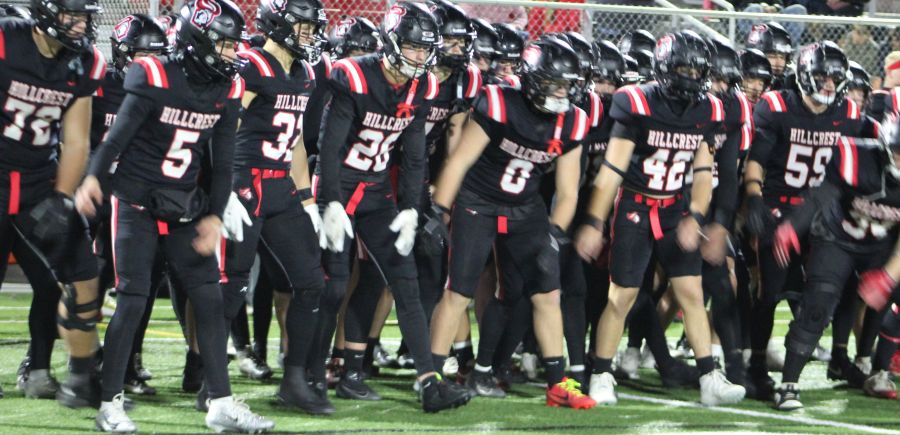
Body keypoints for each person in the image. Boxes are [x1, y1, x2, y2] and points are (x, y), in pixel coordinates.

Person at [75, 0, 274, 431]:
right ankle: (110, 404)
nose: (230, 54)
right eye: (222, 44)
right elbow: (117, 138)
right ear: (197, 39)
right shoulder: (154, 73)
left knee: (208, 297)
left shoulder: (228, 87)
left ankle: (220, 403)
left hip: (186, 204)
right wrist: (93, 177)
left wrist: (215, 215)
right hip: (136, 203)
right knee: (132, 299)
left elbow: (222, 162)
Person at [574, 30, 746, 407]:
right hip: (635, 205)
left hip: (674, 208)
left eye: (696, 69)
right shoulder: (636, 102)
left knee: (692, 294)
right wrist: (595, 221)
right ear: (665, 67)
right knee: (622, 296)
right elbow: (612, 171)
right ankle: (601, 373)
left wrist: (697, 215)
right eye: (682, 67)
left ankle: (708, 377)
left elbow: (704, 171)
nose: (689, 76)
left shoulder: (709, 110)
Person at [315, 1, 471, 412]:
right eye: (413, 47)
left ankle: (426, 381)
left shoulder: (423, 87)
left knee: (403, 280)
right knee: (331, 284)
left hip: (377, 190)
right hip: (340, 185)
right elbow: (328, 149)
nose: (420, 57)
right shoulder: (354, 75)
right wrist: (328, 202)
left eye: (425, 50)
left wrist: (410, 208)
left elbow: (415, 154)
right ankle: (313, 371)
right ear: (390, 42)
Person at [430, 36, 596, 409]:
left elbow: (569, 190)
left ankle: (558, 383)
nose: (561, 92)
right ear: (534, 79)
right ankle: (433, 376)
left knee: (547, 291)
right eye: (554, 83)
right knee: (459, 291)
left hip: (524, 207)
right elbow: (459, 161)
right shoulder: (501, 103)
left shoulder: (573, 120)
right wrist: (440, 209)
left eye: (568, 85)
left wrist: (554, 235)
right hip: (478, 202)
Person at [741, 40, 878, 403]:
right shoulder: (777, 105)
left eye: (835, 77)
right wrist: (753, 197)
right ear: (803, 74)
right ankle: (755, 366)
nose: (829, 84)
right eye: (822, 75)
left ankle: (825, 356)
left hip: (824, 217)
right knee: (768, 291)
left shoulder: (849, 114)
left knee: (825, 291)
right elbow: (756, 159)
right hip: (780, 209)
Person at [220, 0, 333, 415]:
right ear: (279, 23)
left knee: (311, 283)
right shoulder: (250, 64)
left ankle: (294, 380)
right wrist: (224, 190)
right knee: (232, 286)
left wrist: (306, 200)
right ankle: (212, 383)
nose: (309, 33)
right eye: (303, 25)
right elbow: (224, 128)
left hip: (281, 189)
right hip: (245, 185)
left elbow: (297, 141)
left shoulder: (302, 72)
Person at [0, 0, 108, 408]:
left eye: (86, 16)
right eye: (72, 15)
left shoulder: (85, 61)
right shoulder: (6, 40)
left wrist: (62, 199)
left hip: (38, 181)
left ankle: (78, 380)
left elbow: (77, 139)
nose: (81, 25)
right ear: (46, 12)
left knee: (81, 273)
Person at [92, 13, 173, 398]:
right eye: (144, 55)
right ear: (123, 54)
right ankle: (78, 360)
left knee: (140, 285)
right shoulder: (101, 87)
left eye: (157, 55)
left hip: (139, 199)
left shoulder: (165, 87)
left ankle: (127, 362)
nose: (151, 63)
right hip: (100, 197)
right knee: (87, 281)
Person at [746, 22, 794, 91]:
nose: (778, 63)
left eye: (782, 57)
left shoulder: (788, 87)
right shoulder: (738, 84)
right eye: (772, 56)